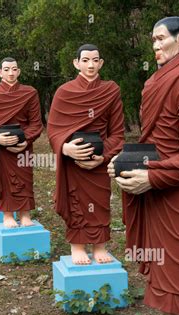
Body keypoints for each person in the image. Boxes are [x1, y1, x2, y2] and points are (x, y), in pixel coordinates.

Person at [108, 16, 179, 315]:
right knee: (161, 261)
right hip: (156, 188)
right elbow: (154, 142)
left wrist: (153, 176)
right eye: (153, 40)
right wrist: (124, 164)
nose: (155, 46)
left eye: (161, 39)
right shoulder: (153, 82)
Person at [47, 44, 125, 265]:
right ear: (76, 63)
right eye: (86, 60)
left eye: (95, 60)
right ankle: (77, 245)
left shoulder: (110, 90)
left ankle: (100, 246)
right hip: (73, 161)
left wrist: (105, 155)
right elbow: (53, 130)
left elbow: (118, 133)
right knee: (76, 202)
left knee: (100, 202)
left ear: (101, 63)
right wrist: (65, 148)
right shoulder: (64, 92)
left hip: (98, 160)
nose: (91, 65)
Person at [0, 57, 43, 227]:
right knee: (4, 179)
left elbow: (36, 124)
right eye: (7, 69)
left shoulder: (29, 92)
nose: (11, 73)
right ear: (0, 73)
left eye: (14, 69)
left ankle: (25, 214)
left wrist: (26, 139)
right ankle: (7, 215)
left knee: (25, 180)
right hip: (1, 147)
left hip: (23, 145)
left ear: (19, 71)